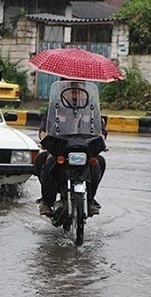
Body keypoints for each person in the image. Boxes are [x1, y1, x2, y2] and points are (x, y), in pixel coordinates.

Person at [37, 82, 107, 217]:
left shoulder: (91, 108)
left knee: (99, 162)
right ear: (65, 90)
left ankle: (91, 200)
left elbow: (101, 130)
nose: (75, 94)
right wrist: (45, 140)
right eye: (72, 91)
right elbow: (44, 128)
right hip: (61, 147)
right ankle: (47, 201)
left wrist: (101, 142)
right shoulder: (55, 107)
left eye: (78, 91)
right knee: (47, 161)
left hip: (85, 148)